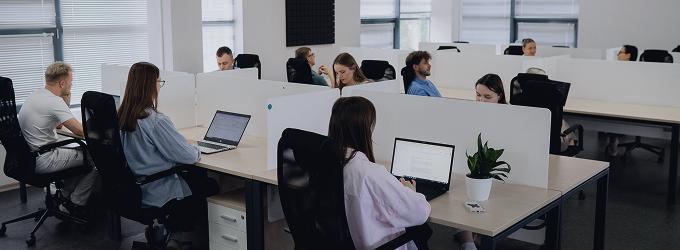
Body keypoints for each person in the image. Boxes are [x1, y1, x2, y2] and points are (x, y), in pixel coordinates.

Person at [118, 62, 218, 247]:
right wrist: (196, 147)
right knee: (210, 184)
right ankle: (182, 236)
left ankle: (165, 229)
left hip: (134, 188)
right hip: (158, 189)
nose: (159, 85)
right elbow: (189, 157)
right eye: (158, 81)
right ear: (149, 85)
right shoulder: (155, 120)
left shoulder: (122, 116)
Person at [329, 97, 431, 250]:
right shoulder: (369, 173)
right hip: (377, 245)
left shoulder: (327, 162)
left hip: (346, 242)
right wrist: (409, 191)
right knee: (424, 230)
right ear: (364, 130)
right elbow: (420, 212)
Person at [18, 61, 98, 215]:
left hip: (28, 158)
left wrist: (64, 102)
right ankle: (75, 203)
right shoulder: (54, 101)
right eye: (71, 83)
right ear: (62, 83)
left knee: (81, 155)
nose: (71, 86)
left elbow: (59, 126)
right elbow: (80, 131)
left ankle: (64, 196)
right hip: (44, 158)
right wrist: (104, 132)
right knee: (96, 158)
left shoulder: (37, 94)